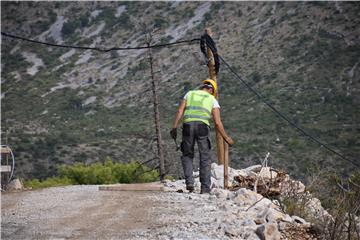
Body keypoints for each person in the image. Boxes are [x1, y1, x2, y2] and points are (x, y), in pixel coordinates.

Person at [170, 79, 234, 194]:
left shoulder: (189, 94)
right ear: (211, 90)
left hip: (188, 126)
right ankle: (205, 188)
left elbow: (180, 111)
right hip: (202, 127)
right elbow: (218, 122)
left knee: (187, 154)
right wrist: (226, 137)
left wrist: (174, 127)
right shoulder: (212, 99)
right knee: (204, 157)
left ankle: (189, 183)